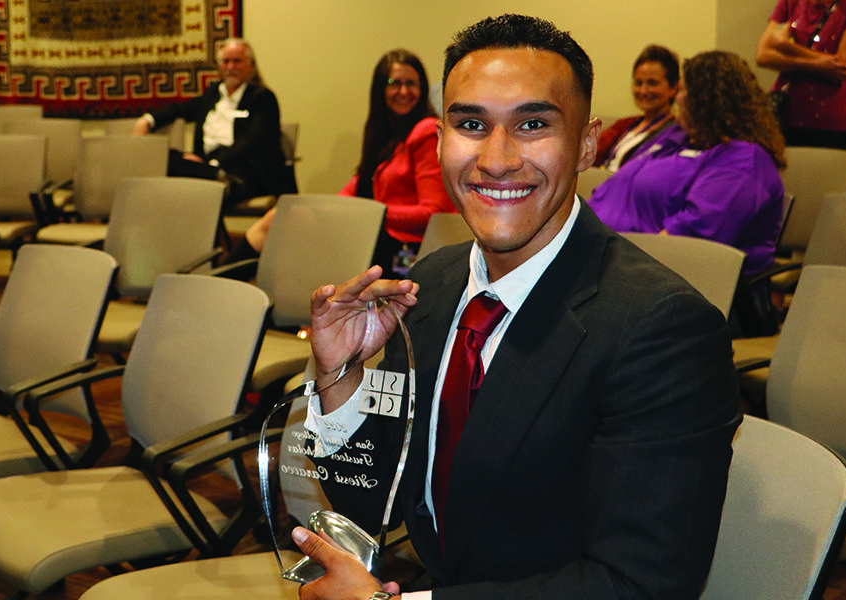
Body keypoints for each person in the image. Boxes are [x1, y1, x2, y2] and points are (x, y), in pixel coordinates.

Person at [294, 14, 740, 600]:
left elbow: (637, 583)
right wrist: (340, 377)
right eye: (471, 124)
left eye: (532, 124)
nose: (497, 159)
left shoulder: (660, 328)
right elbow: (379, 498)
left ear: (586, 143)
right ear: (439, 142)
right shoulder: (431, 283)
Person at [588, 51, 787, 278]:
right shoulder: (677, 140)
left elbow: (687, 243)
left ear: (705, 100)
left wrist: (613, 265)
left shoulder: (742, 161)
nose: (677, 99)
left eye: (682, 90)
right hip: (601, 250)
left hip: (651, 276)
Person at [339, 50, 455, 279]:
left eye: (411, 83)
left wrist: (373, 212)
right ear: (380, 89)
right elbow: (356, 188)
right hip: (379, 241)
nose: (404, 92)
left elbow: (433, 211)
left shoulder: (425, 130)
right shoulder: (382, 135)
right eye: (395, 83)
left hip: (408, 251)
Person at [132, 38, 287, 205]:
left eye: (237, 61)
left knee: (191, 182)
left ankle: (219, 181)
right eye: (226, 61)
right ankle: (211, 178)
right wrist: (147, 120)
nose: (230, 67)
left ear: (250, 65)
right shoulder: (213, 94)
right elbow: (180, 109)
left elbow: (252, 142)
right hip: (207, 166)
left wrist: (216, 163)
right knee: (162, 159)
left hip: (244, 170)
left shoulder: (262, 98)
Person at [756, 0, 846, 150]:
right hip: (784, 116)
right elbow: (763, 55)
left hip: (830, 123)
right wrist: (818, 65)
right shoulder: (790, 2)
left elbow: (843, 66)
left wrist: (787, 48)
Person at [594, 44, 680, 171]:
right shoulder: (623, 126)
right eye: (639, 83)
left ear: (673, 88)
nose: (643, 91)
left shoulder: (675, 134)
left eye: (652, 83)